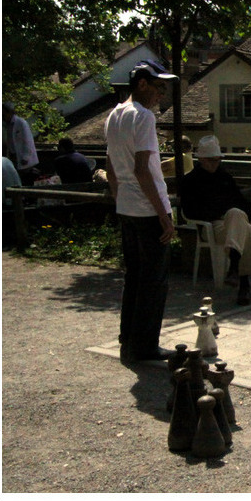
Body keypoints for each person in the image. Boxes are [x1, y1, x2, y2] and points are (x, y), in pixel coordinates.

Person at [104, 59, 178, 363]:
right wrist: (163, 214)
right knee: (154, 280)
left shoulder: (114, 115)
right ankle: (145, 345)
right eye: (158, 86)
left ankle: (128, 339)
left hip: (127, 208)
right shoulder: (143, 117)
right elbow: (143, 170)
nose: (162, 93)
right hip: (147, 210)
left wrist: (120, 201)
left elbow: (110, 166)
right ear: (142, 84)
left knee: (134, 276)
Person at [179, 135, 251, 306]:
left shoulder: (224, 177)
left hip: (232, 221)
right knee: (243, 227)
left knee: (237, 214)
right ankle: (244, 285)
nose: (215, 164)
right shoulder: (190, 181)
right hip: (213, 225)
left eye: (217, 160)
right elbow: (189, 211)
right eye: (211, 160)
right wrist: (217, 213)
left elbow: (241, 200)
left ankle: (233, 270)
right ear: (201, 159)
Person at [2, 102, 40, 185]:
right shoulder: (6, 125)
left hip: (23, 156)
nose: (3, 117)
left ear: (10, 112)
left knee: (26, 178)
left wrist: (25, 157)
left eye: (4, 115)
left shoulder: (21, 123)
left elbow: (28, 140)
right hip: (13, 155)